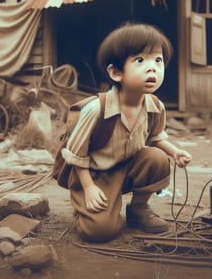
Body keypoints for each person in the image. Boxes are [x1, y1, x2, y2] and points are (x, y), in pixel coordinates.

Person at [60, 22, 192, 242]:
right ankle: (83, 209)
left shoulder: (155, 106)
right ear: (116, 72)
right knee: (101, 232)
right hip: (95, 174)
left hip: (128, 166)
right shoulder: (97, 110)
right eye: (140, 60)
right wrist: (89, 187)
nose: (152, 68)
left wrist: (174, 151)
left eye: (158, 60)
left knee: (157, 158)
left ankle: (138, 210)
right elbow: (75, 155)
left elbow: (156, 137)